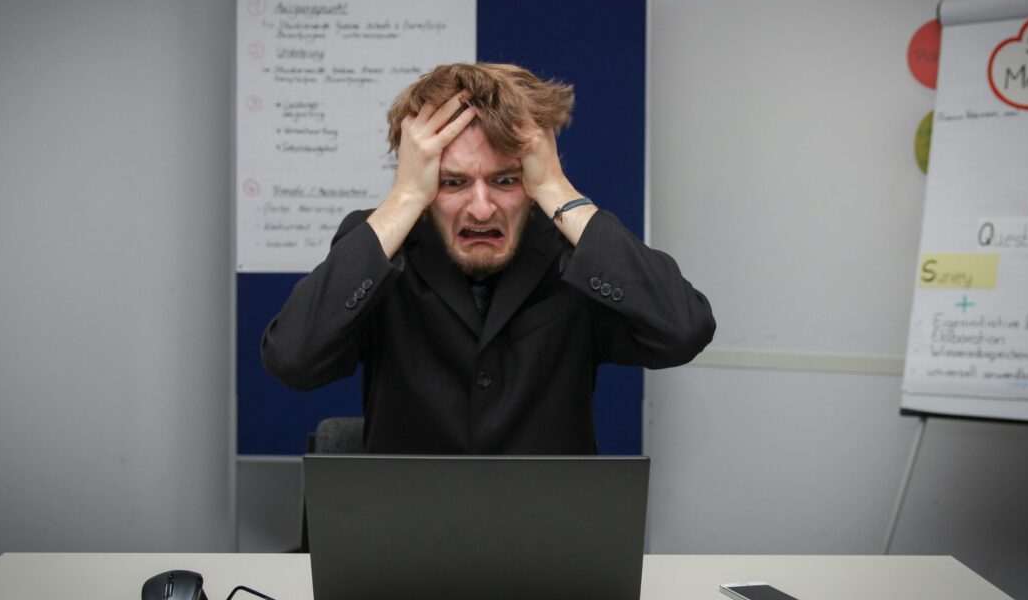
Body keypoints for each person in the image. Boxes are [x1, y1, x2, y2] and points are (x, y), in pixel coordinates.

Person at [261, 62, 714, 454]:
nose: (480, 208)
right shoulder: (383, 248)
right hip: (408, 537)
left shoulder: (572, 251)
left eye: (506, 180)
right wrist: (404, 199)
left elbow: (682, 330)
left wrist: (556, 191)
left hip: (548, 536)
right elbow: (293, 359)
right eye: (453, 183)